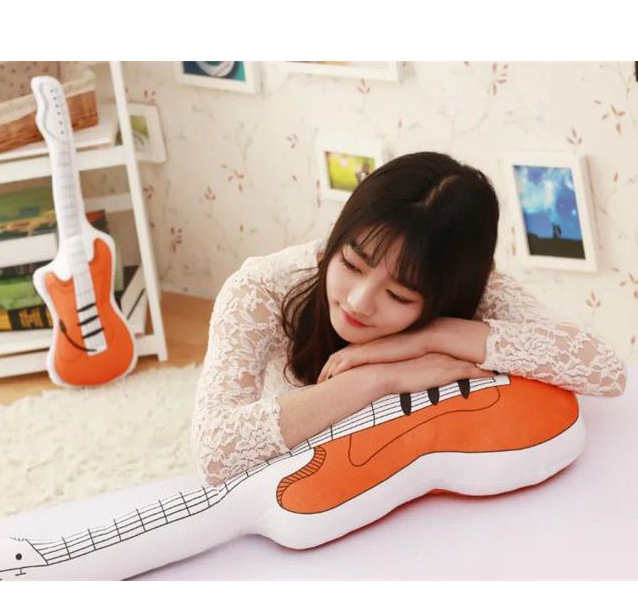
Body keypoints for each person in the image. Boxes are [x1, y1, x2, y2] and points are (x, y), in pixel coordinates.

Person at [190, 151, 627, 486]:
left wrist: (426, 338)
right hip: (298, 486)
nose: (360, 302)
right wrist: (377, 378)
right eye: (352, 265)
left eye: (398, 295)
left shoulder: (467, 290)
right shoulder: (263, 288)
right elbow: (214, 452)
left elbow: (605, 370)